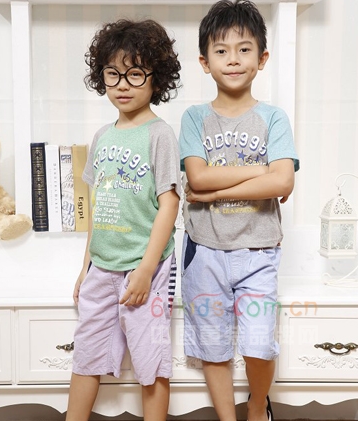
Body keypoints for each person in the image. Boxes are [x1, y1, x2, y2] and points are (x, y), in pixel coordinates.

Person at [179, 1, 299, 421]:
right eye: (221, 50)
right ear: (205, 62)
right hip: (204, 251)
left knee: (259, 344)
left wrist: (214, 192)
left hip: (258, 251)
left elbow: (283, 183)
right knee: (212, 345)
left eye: (244, 49)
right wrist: (262, 170)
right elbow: (197, 177)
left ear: (262, 59)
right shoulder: (194, 118)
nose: (233, 59)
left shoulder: (273, 118)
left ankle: (256, 406)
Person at [65, 19, 182, 421]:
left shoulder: (159, 135)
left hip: (146, 266)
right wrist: (86, 267)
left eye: (135, 73)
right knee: (87, 355)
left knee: (151, 362)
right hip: (102, 267)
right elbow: (99, 206)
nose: (122, 84)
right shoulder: (102, 136)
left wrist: (147, 269)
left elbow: (170, 204)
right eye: (112, 73)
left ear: (155, 78)